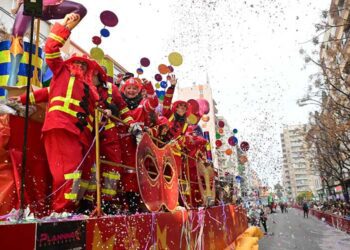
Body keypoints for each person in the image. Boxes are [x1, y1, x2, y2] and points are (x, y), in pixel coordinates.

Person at [11, 14, 98, 213]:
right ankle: (61, 212)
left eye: (84, 65)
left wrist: (25, 99)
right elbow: (50, 49)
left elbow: (47, 93)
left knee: (80, 177)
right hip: (60, 127)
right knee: (69, 174)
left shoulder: (88, 90)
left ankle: (71, 210)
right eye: (77, 63)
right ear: (70, 64)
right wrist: (65, 27)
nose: (80, 67)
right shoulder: (62, 72)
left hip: (80, 137)